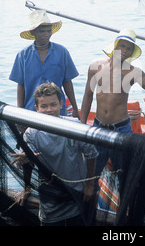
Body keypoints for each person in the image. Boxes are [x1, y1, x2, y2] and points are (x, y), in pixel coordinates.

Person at [80, 29, 145, 193]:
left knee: (125, 177)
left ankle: (124, 214)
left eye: (129, 48)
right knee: (89, 176)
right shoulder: (95, 67)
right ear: (115, 45)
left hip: (122, 130)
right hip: (98, 128)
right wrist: (82, 125)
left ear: (132, 52)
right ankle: (88, 211)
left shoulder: (133, 72)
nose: (124, 51)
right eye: (122, 46)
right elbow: (88, 96)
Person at [11, 82, 98, 226]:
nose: (49, 110)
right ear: (36, 108)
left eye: (53, 104)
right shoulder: (31, 133)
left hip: (77, 195)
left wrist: (90, 185)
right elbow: (28, 160)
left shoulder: (75, 126)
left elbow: (91, 154)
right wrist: (26, 160)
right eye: (43, 106)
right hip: (50, 198)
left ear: (61, 105)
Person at [9, 10, 79, 118]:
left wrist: (74, 107)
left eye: (48, 31)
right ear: (33, 33)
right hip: (31, 110)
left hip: (56, 110)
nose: (46, 34)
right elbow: (21, 86)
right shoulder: (22, 56)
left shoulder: (62, 52)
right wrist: (20, 112)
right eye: (42, 31)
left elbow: (67, 82)